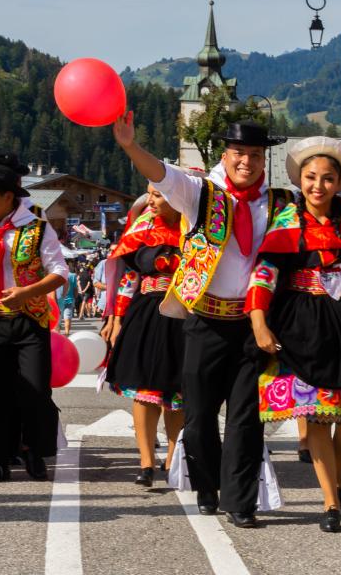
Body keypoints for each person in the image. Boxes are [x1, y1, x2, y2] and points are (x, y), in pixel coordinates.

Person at [113, 114, 341, 529]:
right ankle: (206, 485)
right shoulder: (201, 193)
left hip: (255, 325)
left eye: (255, 155)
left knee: (247, 419)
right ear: (226, 154)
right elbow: (160, 175)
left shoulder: (279, 201)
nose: (246, 162)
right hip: (205, 319)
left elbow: (332, 211)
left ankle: (241, 501)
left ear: (263, 160)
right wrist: (130, 146)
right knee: (198, 416)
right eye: (239, 153)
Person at [246, 137, 341, 532]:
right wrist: (259, 321)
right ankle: (329, 500)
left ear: (339, 183)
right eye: (311, 177)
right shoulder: (286, 223)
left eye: (328, 179)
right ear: (301, 180)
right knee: (319, 415)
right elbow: (265, 274)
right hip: (301, 326)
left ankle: (338, 475)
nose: (318, 186)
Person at [0, 163, 67, 482]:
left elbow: (59, 272)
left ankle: (34, 452)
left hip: (28, 319)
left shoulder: (36, 227)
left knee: (35, 390)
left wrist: (28, 292)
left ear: (9, 196)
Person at [102, 184, 185, 487]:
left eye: (158, 195)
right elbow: (130, 276)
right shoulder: (143, 228)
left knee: (178, 393)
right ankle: (146, 461)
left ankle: (175, 458)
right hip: (148, 313)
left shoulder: (196, 230)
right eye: (150, 194)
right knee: (145, 388)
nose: (150, 200)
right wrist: (117, 317)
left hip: (185, 315)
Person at [56, 260, 77, 336]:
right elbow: (75, 288)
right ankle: (67, 333)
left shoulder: (57, 274)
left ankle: (57, 334)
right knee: (67, 317)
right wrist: (75, 296)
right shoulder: (72, 275)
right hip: (70, 299)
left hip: (59, 299)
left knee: (58, 319)